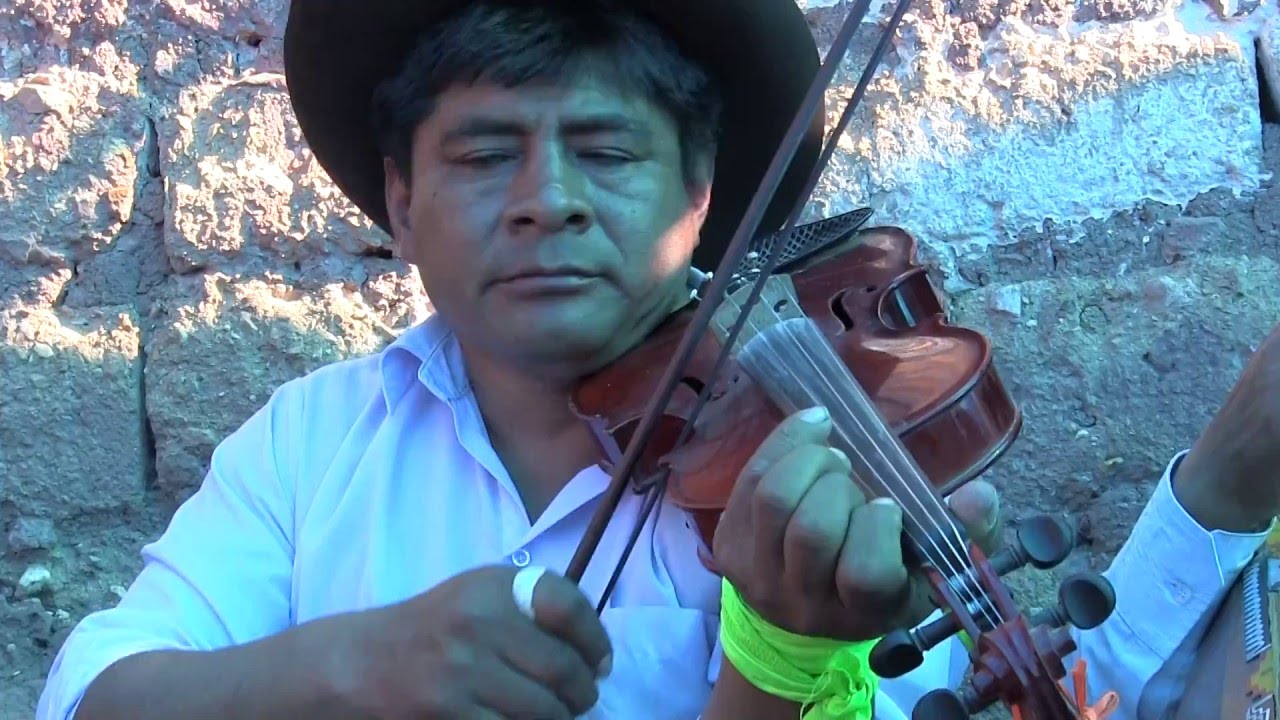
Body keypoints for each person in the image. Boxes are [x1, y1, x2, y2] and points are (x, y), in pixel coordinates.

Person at [33, 1, 1280, 718]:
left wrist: (779, 660)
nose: (546, 202)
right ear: (399, 209)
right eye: (479, 157)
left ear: (703, 203)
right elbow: (94, 692)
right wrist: (354, 660)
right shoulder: (308, 444)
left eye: (608, 153)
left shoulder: (824, 472)